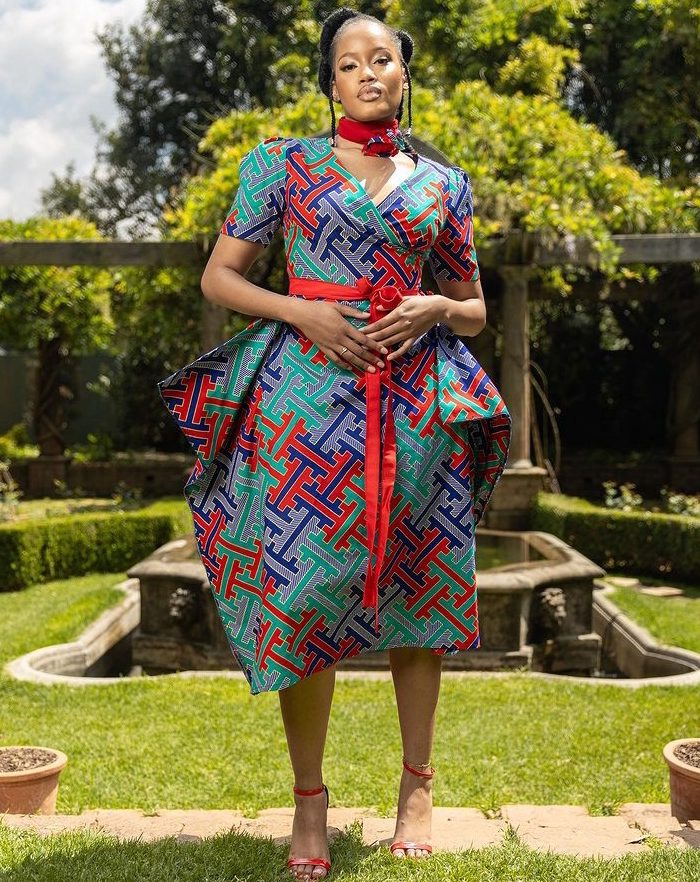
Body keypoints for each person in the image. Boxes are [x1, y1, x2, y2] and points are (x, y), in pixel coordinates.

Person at [159, 7, 511, 879]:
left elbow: (473, 309)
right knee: (305, 596)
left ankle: (417, 787)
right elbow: (220, 278)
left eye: (382, 58)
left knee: (423, 591)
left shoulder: (445, 185)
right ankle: (308, 799)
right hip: (306, 405)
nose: (367, 73)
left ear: (403, 74)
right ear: (331, 84)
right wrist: (302, 311)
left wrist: (436, 306)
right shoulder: (280, 165)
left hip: (420, 409)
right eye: (349, 63)